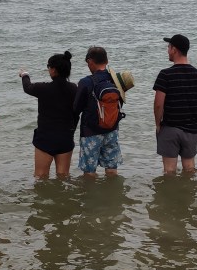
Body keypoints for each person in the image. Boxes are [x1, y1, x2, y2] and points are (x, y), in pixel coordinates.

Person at [153, 34, 197, 174]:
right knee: (189, 167)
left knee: (169, 170)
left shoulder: (165, 74)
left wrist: (158, 124)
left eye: (168, 47)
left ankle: (171, 195)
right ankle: (189, 194)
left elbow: (158, 104)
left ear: (174, 50)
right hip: (191, 128)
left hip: (170, 127)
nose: (167, 50)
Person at [19, 50, 79, 178]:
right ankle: (62, 198)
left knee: (40, 176)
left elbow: (27, 87)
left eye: (48, 67)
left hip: (46, 138)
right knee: (63, 176)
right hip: (65, 137)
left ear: (53, 70)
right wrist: (72, 129)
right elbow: (77, 112)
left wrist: (25, 75)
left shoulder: (43, 88)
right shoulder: (74, 88)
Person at [73, 46, 124, 177]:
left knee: (89, 172)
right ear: (106, 61)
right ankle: (113, 195)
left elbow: (76, 108)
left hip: (91, 132)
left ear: (90, 61)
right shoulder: (116, 80)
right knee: (112, 169)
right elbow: (120, 102)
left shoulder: (85, 82)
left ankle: (92, 196)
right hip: (112, 129)